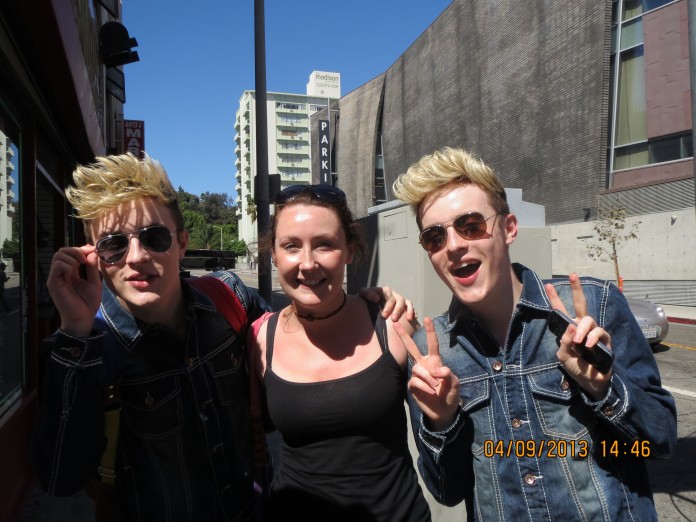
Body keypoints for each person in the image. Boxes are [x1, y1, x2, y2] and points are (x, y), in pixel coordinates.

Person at [31, 154, 411, 522]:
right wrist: (76, 329)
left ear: (181, 242)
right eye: (114, 244)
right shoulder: (84, 348)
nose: (136, 257)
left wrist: (365, 308)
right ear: (94, 256)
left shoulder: (230, 300)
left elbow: (300, 336)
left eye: (154, 237)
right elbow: (61, 479)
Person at [391, 147, 677, 521]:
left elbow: (660, 441)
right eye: (434, 237)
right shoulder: (433, 356)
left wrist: (603, 389)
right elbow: (448, 492)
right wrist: (443, 423)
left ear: (508, 229)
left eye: (471, 225)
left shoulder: (595, 307)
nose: (455, 245)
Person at [250, 184, 431, 522]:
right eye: (291, 246)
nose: (307, 263)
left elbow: (438, 439)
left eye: (325, 244)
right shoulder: (259, 338)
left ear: (349, 250)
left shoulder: (391, 324)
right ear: (273, 254)